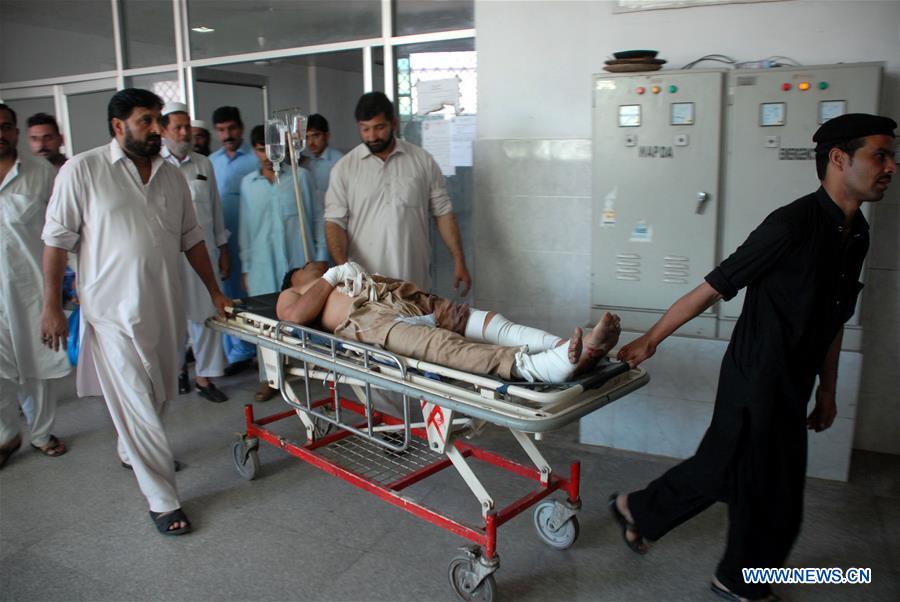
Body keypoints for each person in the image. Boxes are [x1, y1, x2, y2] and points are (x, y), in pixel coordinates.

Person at [611, 113, 896, 602]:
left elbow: (832, 318)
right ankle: (737, 576)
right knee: (767, 490)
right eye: (880, 155)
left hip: (794, 381)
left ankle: (640, 510)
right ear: (838, 158)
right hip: (756, 377)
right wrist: (651, 338)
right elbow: (713, 287)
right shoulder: (791, 225)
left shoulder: (856, 235)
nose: (891, 166)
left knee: (734, 472)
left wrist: (827, 390)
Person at [40, 89, 230, 536]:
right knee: (137, 403)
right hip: (110, 315)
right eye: (146, 120)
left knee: (161, 393)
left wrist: (215, 292)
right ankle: (162, 500)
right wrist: (50, 306)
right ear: (117, 126)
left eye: (158, 120)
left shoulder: (170, 175)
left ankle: (132, 451)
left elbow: (192, 238)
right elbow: (55, 241)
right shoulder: (82, 170)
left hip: (164, 308)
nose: (156, 129)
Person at [277, 262, 621, 383]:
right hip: (369, 321)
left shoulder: (334, 275)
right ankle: (547, 367)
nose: (316, 262)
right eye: (309, 263)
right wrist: (330, 275)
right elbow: (294, 318)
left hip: (396, 296)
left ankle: (566, 346)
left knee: (478, 320)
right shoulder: (296, 290)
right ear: (296, 274)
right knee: (441, 346)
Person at [324, 92, 471, 294]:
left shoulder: (422, 161)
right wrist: (344, 268)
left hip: (415, 282)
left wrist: (459, 260)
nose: (372, 136)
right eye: (364, 129)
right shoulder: (344, 169)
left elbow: (443, 212)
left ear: (393, 123)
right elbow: (334, 222)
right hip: (366, 287)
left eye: (379, 127)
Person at [0, 104, 71, 469]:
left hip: (31, 290)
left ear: (14, 132)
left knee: (38, 365)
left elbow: (57, 236)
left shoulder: (42, 174)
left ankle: (41, 433)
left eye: (6, 127)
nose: (1, 133)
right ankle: (6, 434)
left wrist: (54, 298)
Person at [239, 125, 324, 401]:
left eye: (273, 147)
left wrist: (320, 257)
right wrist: (246, 266)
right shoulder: (248, 185)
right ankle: (270, 378)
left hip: (299, 264)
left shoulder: (301, 177)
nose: (267, 154)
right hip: (264, 265)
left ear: (284, 148)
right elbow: (245, 228)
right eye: (262, 148)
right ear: (255, 150)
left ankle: (314, 371)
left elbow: (316, 219)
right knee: (265, 323)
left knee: (305, 317)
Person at [160, 102, 230, 403]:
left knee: (206, 316)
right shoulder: (153, 165)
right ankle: (177, 372)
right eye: (177, 126)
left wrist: (223, 248)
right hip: (168, 256)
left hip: (203, 253)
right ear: (163, 130)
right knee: (172, 318)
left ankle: (204, 378)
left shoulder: (203, 164)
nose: (184, 131)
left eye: (187, 125)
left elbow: (215, 209)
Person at [209, 106, 258, 373]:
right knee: (227, 297)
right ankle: (236, 352)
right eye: (221, 130)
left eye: (231, 129)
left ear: (241, 128)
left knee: (251, 297)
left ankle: (251, 350)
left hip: (251, 241)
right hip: (223, 243)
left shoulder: (254, 160)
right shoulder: (211, 162)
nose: (227, 135)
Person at [300, 113, 343, 207]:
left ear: (327, 136)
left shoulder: (339, 161)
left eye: (315, 136)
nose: (310, 142)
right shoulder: (305, 163)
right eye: (307, 137)